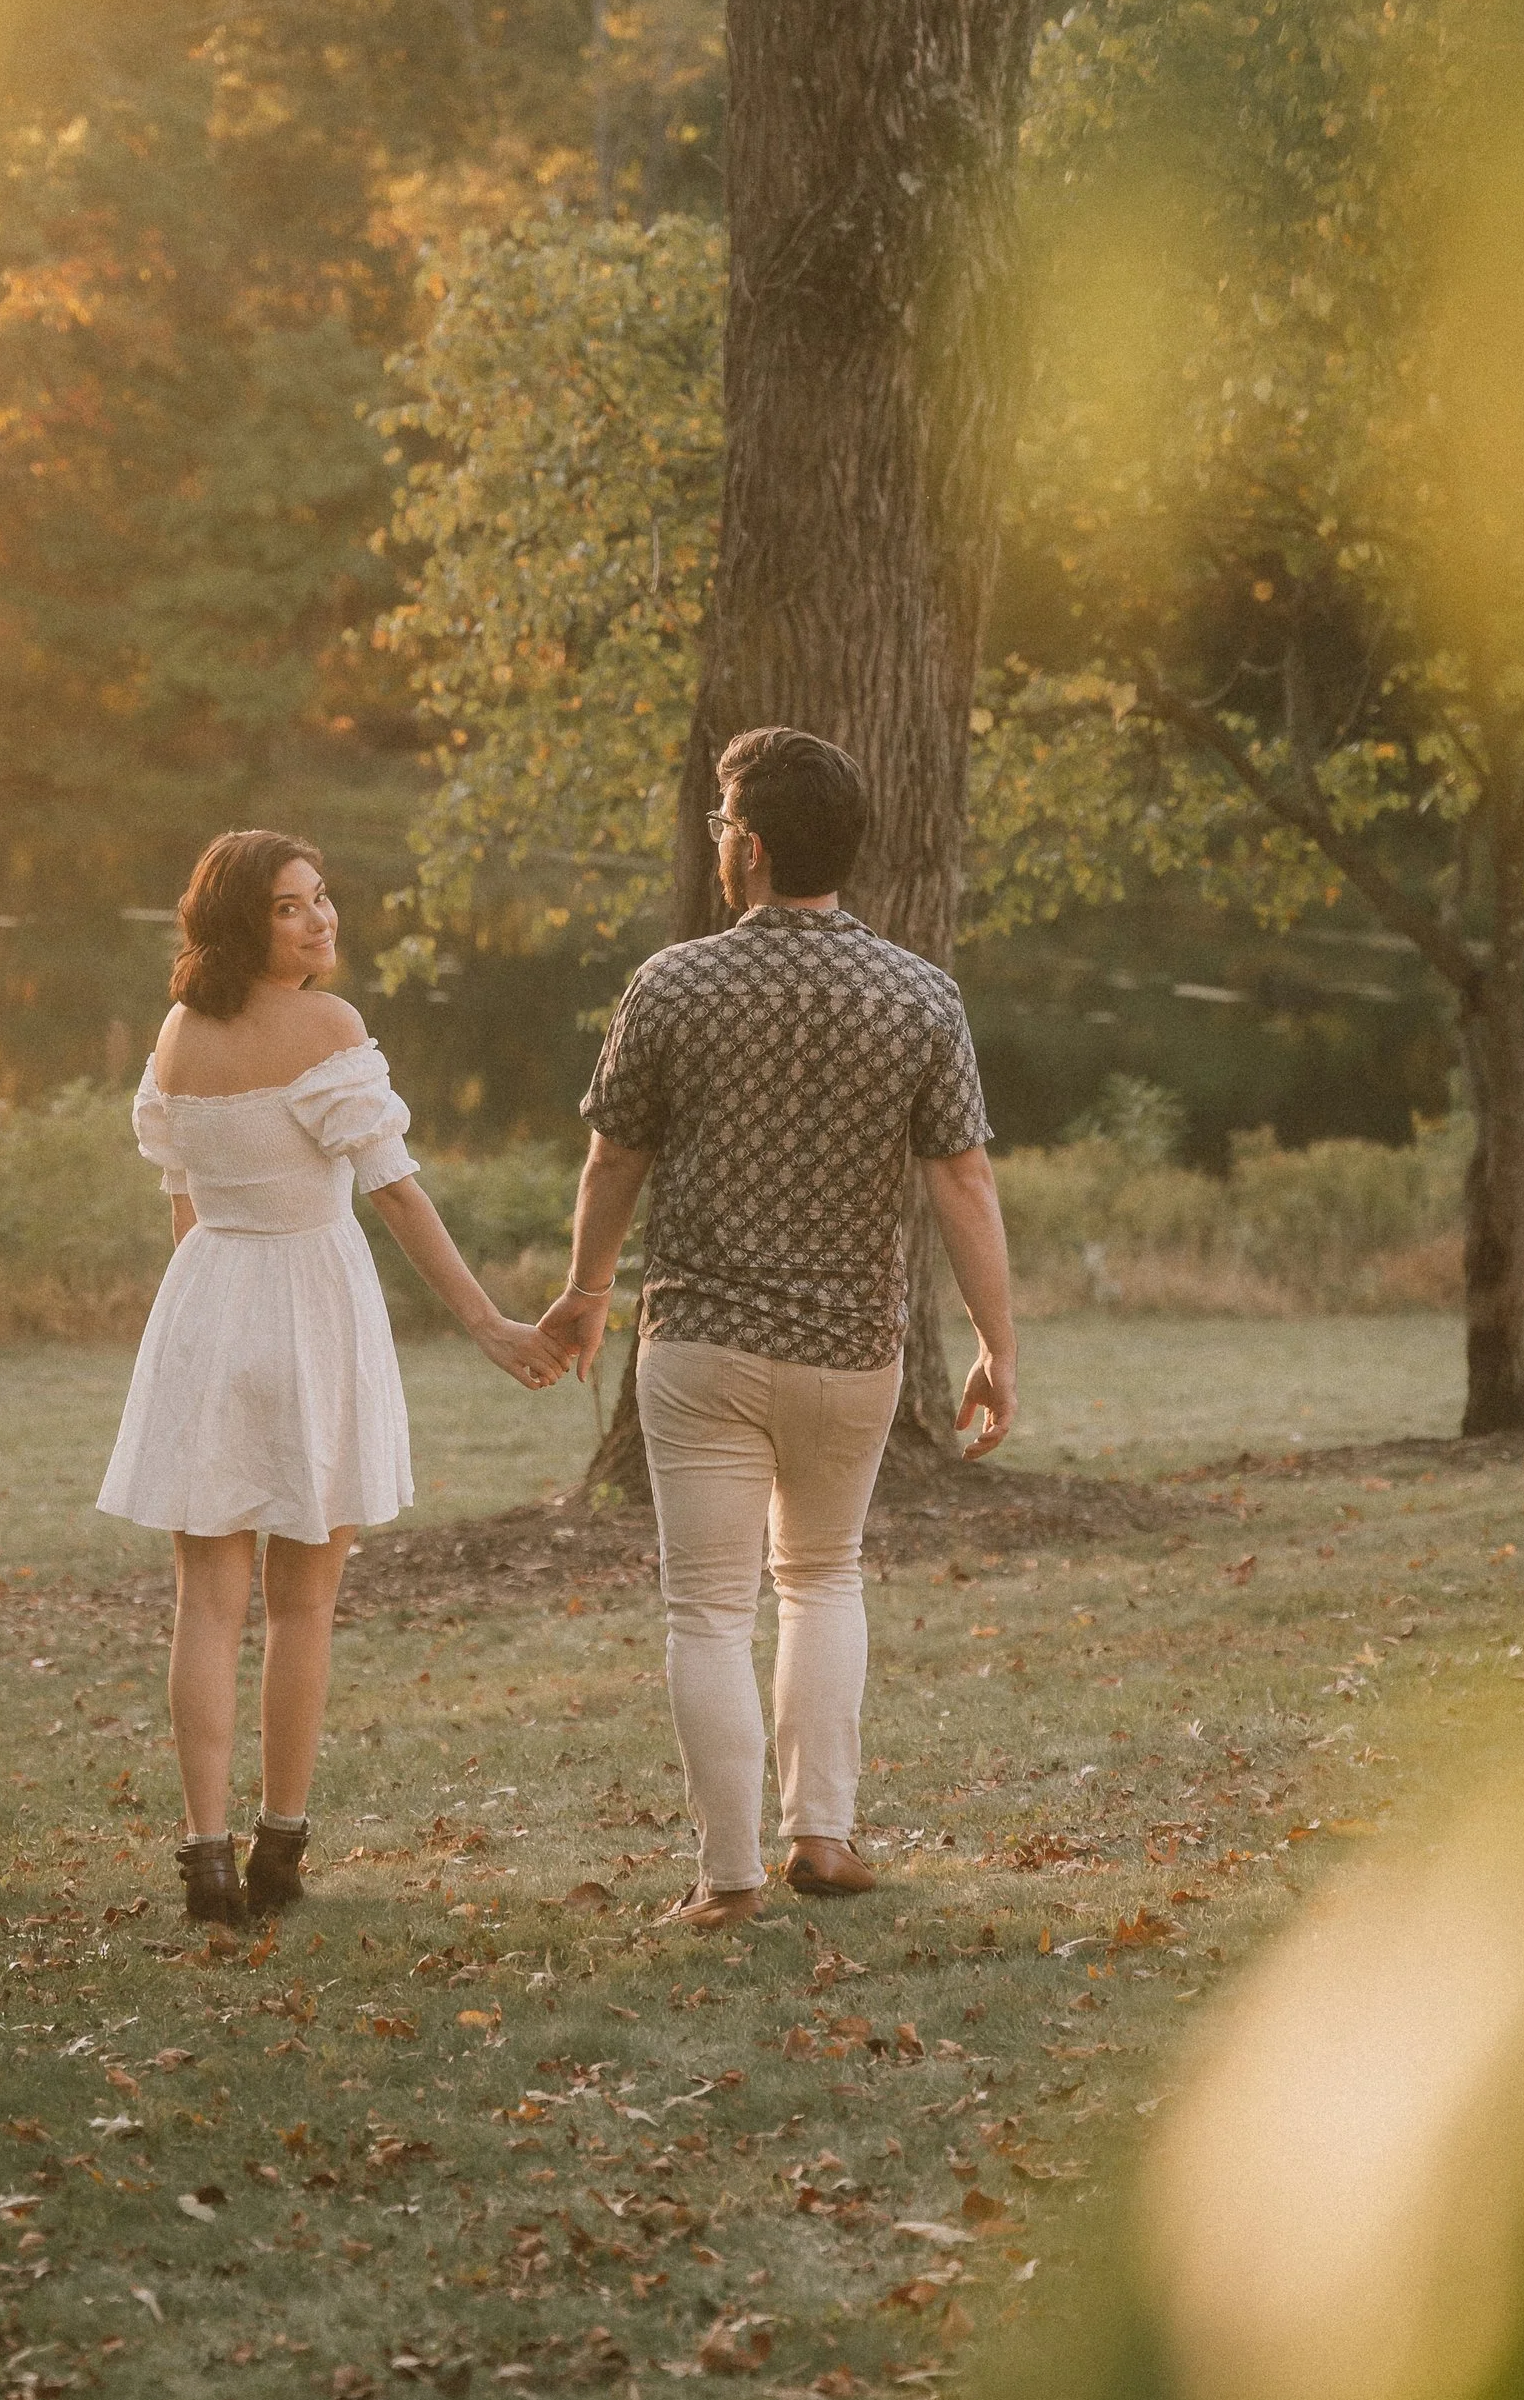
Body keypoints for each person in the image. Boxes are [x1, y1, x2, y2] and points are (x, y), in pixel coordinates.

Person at [537, 727, 1017, 1927]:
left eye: (717, 825)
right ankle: (826, 1837)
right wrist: (995, 1344)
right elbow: (965, 1182)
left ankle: (729, 1874)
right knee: (820, 1577)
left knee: (706, 1605)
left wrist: (586, 1288)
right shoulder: (919, 994)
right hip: (852, 1349)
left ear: (745, 848)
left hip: (699, 1343)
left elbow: (613, 1154)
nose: (716, 843)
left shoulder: (674, 983)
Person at [99, 829, 561, 1931]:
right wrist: (489, 1321)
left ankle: (209, 1858)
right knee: (300, 1603)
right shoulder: (327, 1027)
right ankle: (274, 1849)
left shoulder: (179, 1030)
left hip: (207, 1298)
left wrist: (201, 1333)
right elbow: (394, 1191)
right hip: (307, 1304)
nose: (320, 921)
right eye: (290, 908)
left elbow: (182, 1191)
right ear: (240, 923)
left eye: (322, 898)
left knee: (206, 1604)